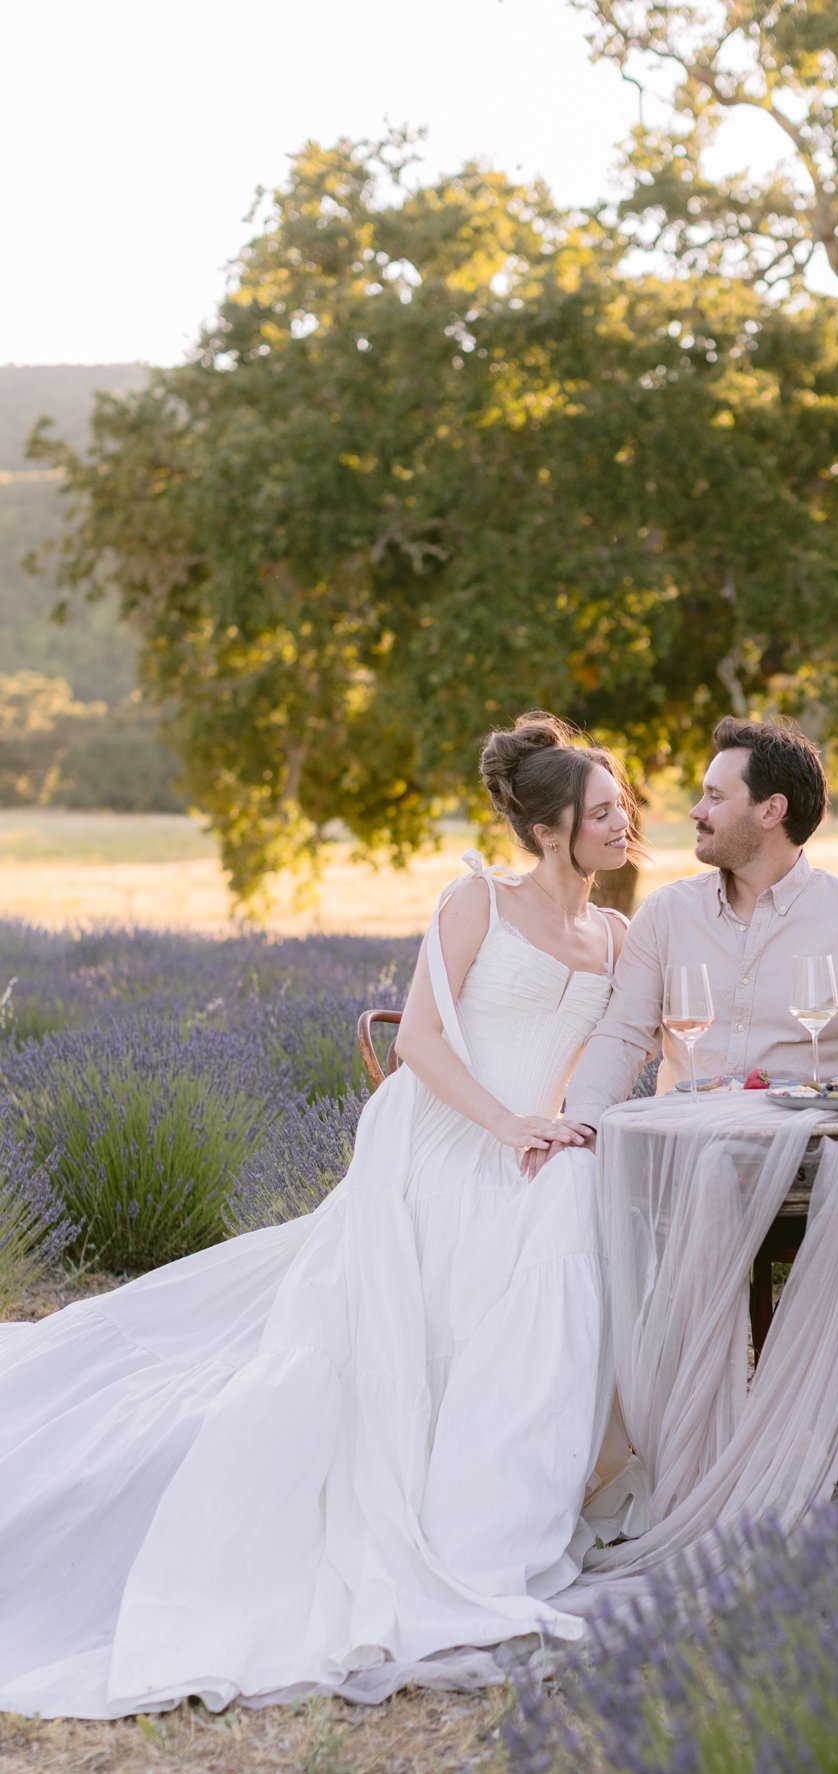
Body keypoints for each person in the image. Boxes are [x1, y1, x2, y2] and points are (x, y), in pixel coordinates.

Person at [0, 714, 638, 1718]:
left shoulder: (619, 933)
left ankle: (506, 1504)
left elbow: (627, 1052)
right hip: (444, 1132)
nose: (624, 822)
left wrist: (576, 1120)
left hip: (538, 1142)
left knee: (568, 1208)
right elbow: (423, 1039)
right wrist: (506, 1122)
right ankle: (465, 1517)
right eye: (603, 810)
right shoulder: (477, 898)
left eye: (624, 806)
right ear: (553, 829)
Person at [555, 715, 838, 1445]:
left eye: (713, 796)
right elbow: (620, 1037)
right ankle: (662, 1440)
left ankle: (824, 1429)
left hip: (814, 1173)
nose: (695, 812)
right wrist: (582, 1123)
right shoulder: (667, 916)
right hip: (689, 1173)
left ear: (771, 811)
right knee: (579, 1230)